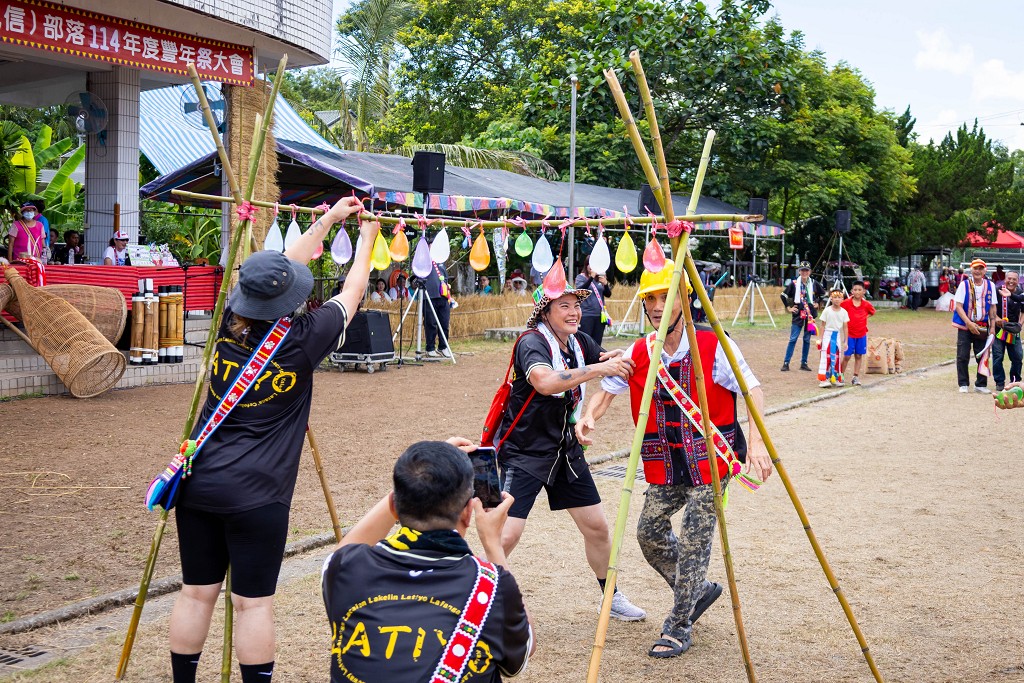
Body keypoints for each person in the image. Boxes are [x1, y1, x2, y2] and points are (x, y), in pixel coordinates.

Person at [166, 197, 374, 683]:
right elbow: (354, 290)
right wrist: (363, 236)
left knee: (196, 592)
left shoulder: (226, 324)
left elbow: (271, 277)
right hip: (258, 494)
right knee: (252, 603)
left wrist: (328, 220)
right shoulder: (306, 336)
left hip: (197, 482)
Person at [576, 261, 771, 658]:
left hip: (712, 460)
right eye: (651, 298)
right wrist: (588, 417)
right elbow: (606, 392)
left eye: (665, 297)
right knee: (648, 534)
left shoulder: (714, 345)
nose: (657, 305)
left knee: (697, 540)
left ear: (684, 299)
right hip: (664, 462)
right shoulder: (639, 351)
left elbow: (752, 388)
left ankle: (678, 627)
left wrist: (759, 441)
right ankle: (697, 590)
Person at [322, 440, 534, 683]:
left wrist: (420, 473)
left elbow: (343, 550)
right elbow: (520, 657)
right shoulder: (491, 587)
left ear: (394, 505)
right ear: (467, 512)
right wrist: (493, 544)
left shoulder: (345, 569)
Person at [496, 283, 646, 622]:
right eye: (563, 306)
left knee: (597, 528)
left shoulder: (579, 342)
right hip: (525, 451)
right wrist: (597, 370)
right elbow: (546, 383)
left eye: (576, 305)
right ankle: (478, 597)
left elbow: (607, 360)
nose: (573, 312)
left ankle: (611, 596)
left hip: (565, 449)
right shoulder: (531, 342)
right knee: (507, 534)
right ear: (545, 312)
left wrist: (620, 357)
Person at [952, 258, 998, 394]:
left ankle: (981, 384)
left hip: (982, 325)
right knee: (962, 355)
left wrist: (993, 327)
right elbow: (958, 306)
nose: (977, 271)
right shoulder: (964, 285)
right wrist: (968, 323)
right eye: (975, 268)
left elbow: (993, 307)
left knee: (983, 355)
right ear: (971, 270)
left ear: (985, 270)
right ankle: (963, 383)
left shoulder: (990, 286)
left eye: (980, 268)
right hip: (965, 324)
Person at [780, 261, 825, 372]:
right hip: (798, 314)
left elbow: (824, 294)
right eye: (802, 270)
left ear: (809, 272)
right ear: (799, 271)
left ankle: (804, 363)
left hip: (810, 315)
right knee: (793, 338)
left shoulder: (814, 283)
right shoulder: (794, 283)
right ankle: (786, 363)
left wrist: (818, 302)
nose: (804, 272)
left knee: (807, 339)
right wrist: (789, 307)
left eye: (806, 270)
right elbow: (783, 295)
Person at [840, 281, 876, 386]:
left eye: (859, 290)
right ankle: (840, 375)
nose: (857, 292)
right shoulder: (846, 303)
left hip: (861, 334)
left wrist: (864, 317)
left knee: (859, 355)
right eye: (855, 290)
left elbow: (872, 312)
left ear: (864, 291)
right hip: (849, 334)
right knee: (847, 356)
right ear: (851, 291)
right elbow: (838, 310)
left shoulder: (866, 304)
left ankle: (855, 377)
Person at [992, 271, 1023, 391]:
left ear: (1018, 280)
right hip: (999, 329)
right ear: (1005, 279)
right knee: (998, 356)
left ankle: (1015, 382)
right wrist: (998, 320)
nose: (1011, 281)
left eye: (1014, 279)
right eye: (1009, 278)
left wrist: (1020, 325)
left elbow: (1023, 311)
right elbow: (991, 308)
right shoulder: (997, 290)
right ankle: (999, 382)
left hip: (1013, 330)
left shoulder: (1020, 293)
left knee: (1017, 356)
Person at [574, 258, 613, 345]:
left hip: (599, 315)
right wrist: (591, 277)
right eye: (590, 264)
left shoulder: (599, 279)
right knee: (586, 341)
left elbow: (608, 294)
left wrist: (606, 284)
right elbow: (580, 291)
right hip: (587, 314)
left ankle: (596, 358)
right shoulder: (581, 277)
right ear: (586, 265)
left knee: (597, 342)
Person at [817, 288, 849, 387]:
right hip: (827, 335)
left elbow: (845, 327)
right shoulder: (827, 311)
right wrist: (820, 339)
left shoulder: (844, 312)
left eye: (839, 297)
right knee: (826, 356)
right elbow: (822, 325)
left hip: (837, 335)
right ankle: (823, 379)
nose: (837, 299)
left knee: (836, 356)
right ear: (831, 298)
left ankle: (834, 377)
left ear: (842, 299)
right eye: (835, 297)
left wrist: (845, 341)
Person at [423, 259, 453, 358]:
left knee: (444, 322)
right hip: (430, 296)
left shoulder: (441, 261)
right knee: (431, 323)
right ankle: (430, 347)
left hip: (443, 296)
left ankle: (443, 346)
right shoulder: (424, 259)